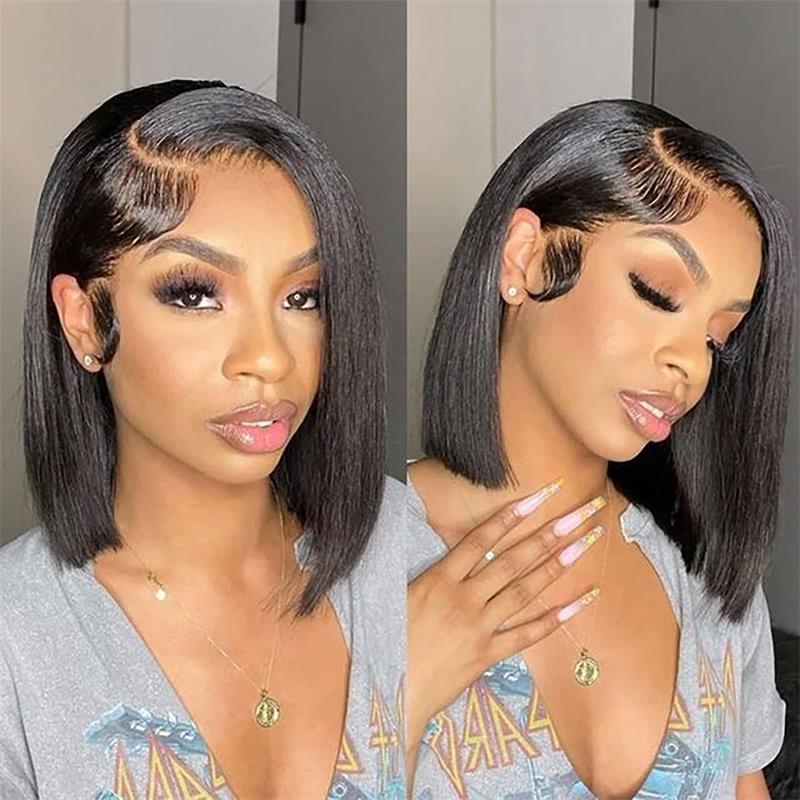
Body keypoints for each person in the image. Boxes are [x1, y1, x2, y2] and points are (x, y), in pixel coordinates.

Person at [0, 79, 405, 799]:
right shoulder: (15, 646)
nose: (269, 358)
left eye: (302, 297)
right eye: (195, 293)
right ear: (84, 320)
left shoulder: (417, 549)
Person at [407, 98, 795, 799]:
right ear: (526, 256)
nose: (691, 364)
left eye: (718, 338)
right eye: (657, 292)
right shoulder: (341, 553)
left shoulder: (709, 579)